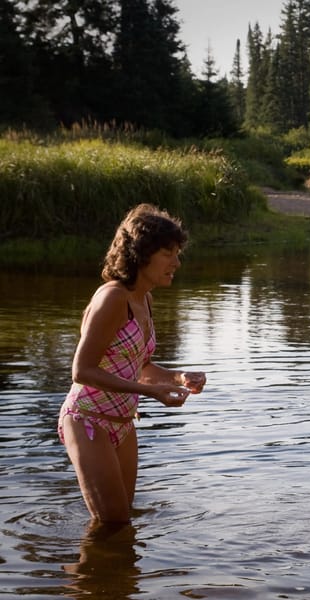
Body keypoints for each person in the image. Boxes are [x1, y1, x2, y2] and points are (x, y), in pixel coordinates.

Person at [58, 203, 206, 523]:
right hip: (87, 420)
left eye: (177, 253)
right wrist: (149, 392)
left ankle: (114, 574)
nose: (176, 263)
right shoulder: (113, 298)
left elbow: (141, 365)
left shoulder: (145, 298)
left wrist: (180, 377)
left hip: (122, 424)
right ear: (142, 253)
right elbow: (82, 371)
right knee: (112, 523)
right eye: (168, 253)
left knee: (123, 522)